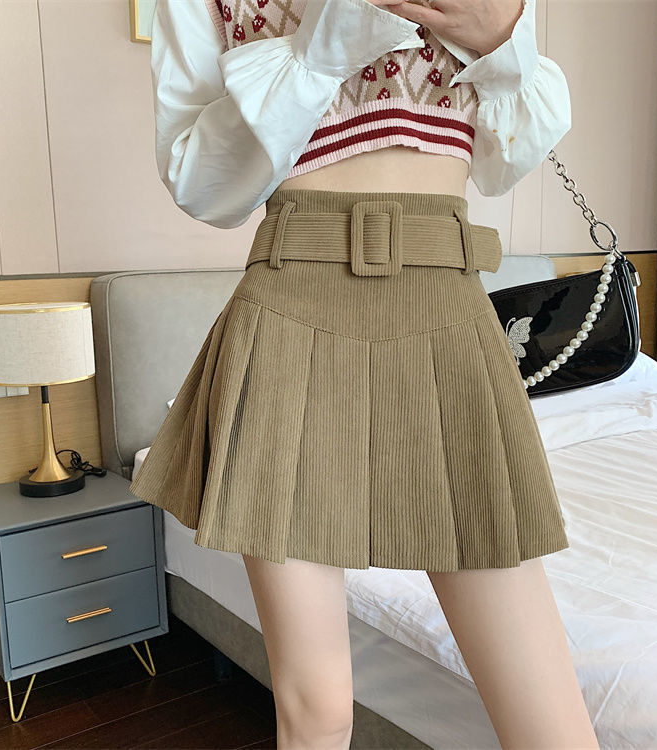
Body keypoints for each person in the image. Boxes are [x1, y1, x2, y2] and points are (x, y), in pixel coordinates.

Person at [129, 0, 601, 747]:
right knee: (318, 713)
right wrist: (320, 51)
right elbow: (203, 186)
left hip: (445, 310)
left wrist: (502, 43)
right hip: (292, 308)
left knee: (552, 727)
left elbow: (504, 160)